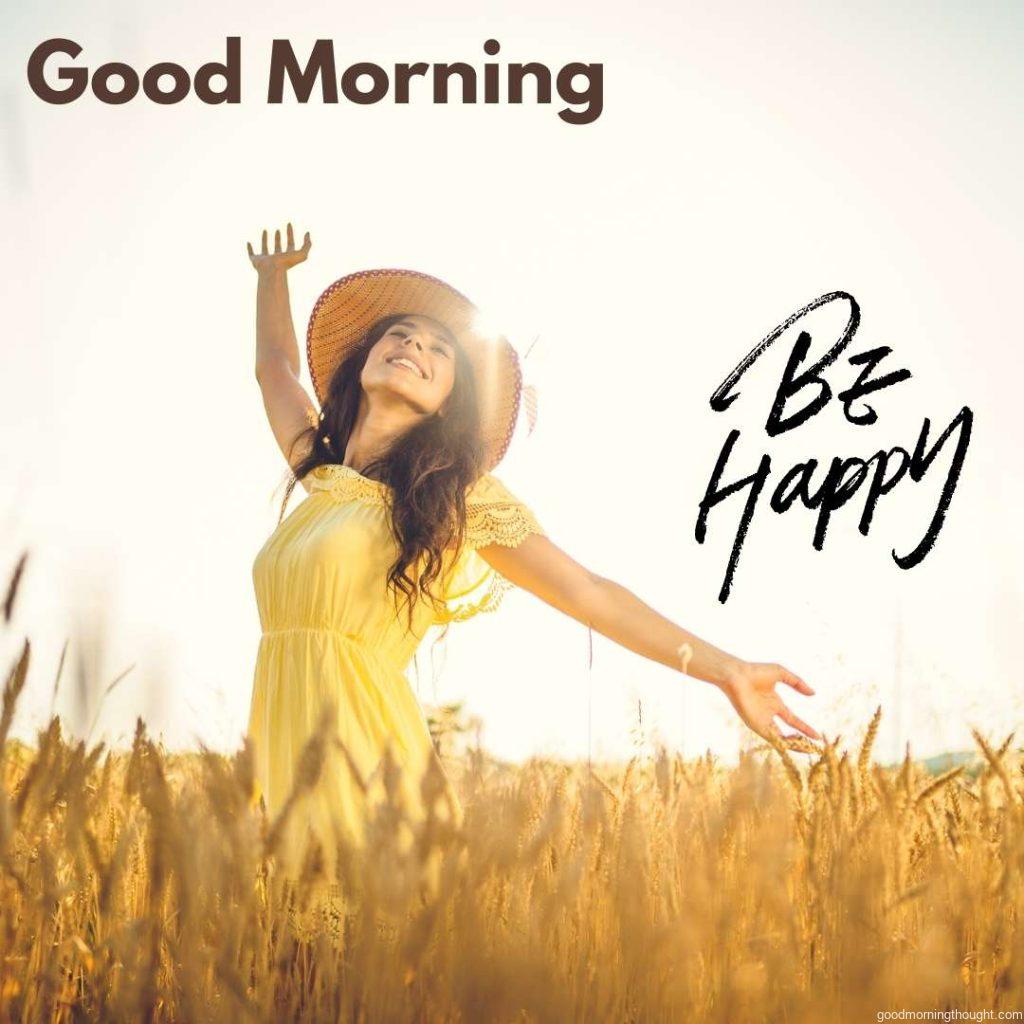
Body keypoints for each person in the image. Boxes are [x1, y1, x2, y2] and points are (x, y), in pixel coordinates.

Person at [245, 223, 821, 888]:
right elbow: (273, 370)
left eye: (437, 349)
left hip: (366, 755)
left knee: (348, 967)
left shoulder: (451, 498)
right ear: (366, 359)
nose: (412, 346)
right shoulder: (318, 476)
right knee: (284, 977)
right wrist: (272, 277)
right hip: (284, 754)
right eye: (398, 335)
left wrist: (728, 670)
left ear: (446, 405)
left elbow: (588, 593)